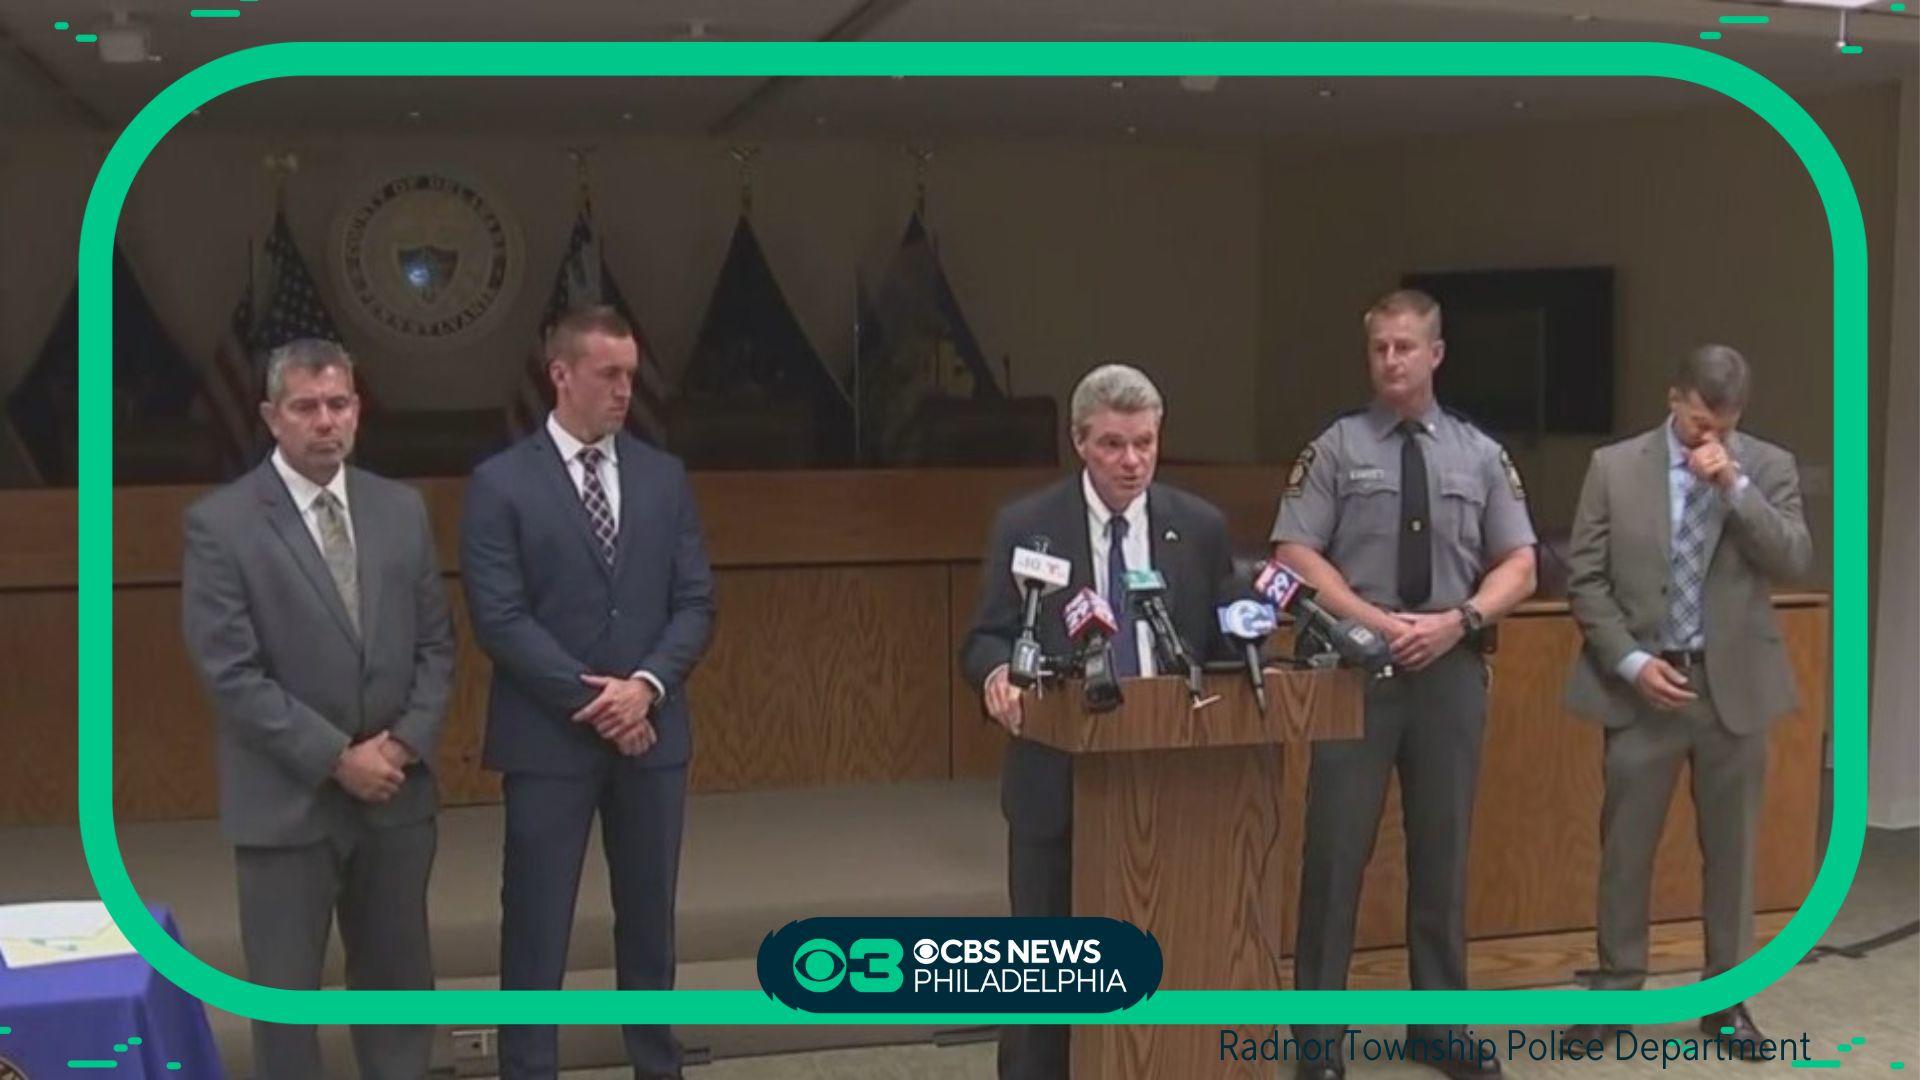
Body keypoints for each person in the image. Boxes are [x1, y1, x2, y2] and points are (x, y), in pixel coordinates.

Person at [1271, 289, 1537, 1080]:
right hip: (1358, 671)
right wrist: (1375, 621)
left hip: (1449, 671)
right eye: (1379, 348)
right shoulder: (1336, 448)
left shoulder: (1479, 454)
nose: (1391, 360)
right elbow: (1294, 552)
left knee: (1443, 853)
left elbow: (1520, 564)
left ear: (1436, 354)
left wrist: (1459, 619)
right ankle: (1317, 1042)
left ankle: (1440, 1026)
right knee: (1335, 856)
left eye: (1405, 346)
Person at [181, 338, 453, 1080]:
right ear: (272, 417)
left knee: (399, 990)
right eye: (306, 407)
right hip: (286, 803)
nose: (325, 421)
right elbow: (230, 673)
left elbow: (437, 646)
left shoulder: (401, 510)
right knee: (286, 1004)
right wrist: (337, 758)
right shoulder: (222, 524)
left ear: (358, 410)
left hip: (396, 798)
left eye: (338, 404)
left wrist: (401, 746)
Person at [462, 305, 715, 1080]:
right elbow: (500, 619)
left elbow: (694, 603)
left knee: (649, 923)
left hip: (652, 735)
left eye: (630, 376)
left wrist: (645, 688)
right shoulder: (501, 484)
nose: (624, 391)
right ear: (561, 374)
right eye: (608, 374)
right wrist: (604, 704)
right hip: (549, 743)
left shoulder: (663, 476)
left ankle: (656, 1064)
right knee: (536, 926)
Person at [959, 363, 1233, 1080]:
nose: (1131, 461)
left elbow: (1224, 647)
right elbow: (985, 636)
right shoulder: (1028, 525)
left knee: (1167, 956)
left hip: (1172, 781)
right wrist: (996, 675)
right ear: (1079, 441)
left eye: (1145, 443)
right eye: (1113, 444)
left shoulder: (1199, 528)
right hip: (1056, 778)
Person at [1560, 344, 1811, 1054]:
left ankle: (1727, 1003)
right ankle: (1614, 995)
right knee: (1625, 852)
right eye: (1701, 423)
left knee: (1733, 856)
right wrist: (1631, 662)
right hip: (1643, 686)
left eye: (1724, 425)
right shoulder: (1614, 468)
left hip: (1733, 690)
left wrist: (1733, 483)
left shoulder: (1767, 467)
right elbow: (1585, 580)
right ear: (1674, 400)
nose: (1710, 436)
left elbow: (1794, 558)